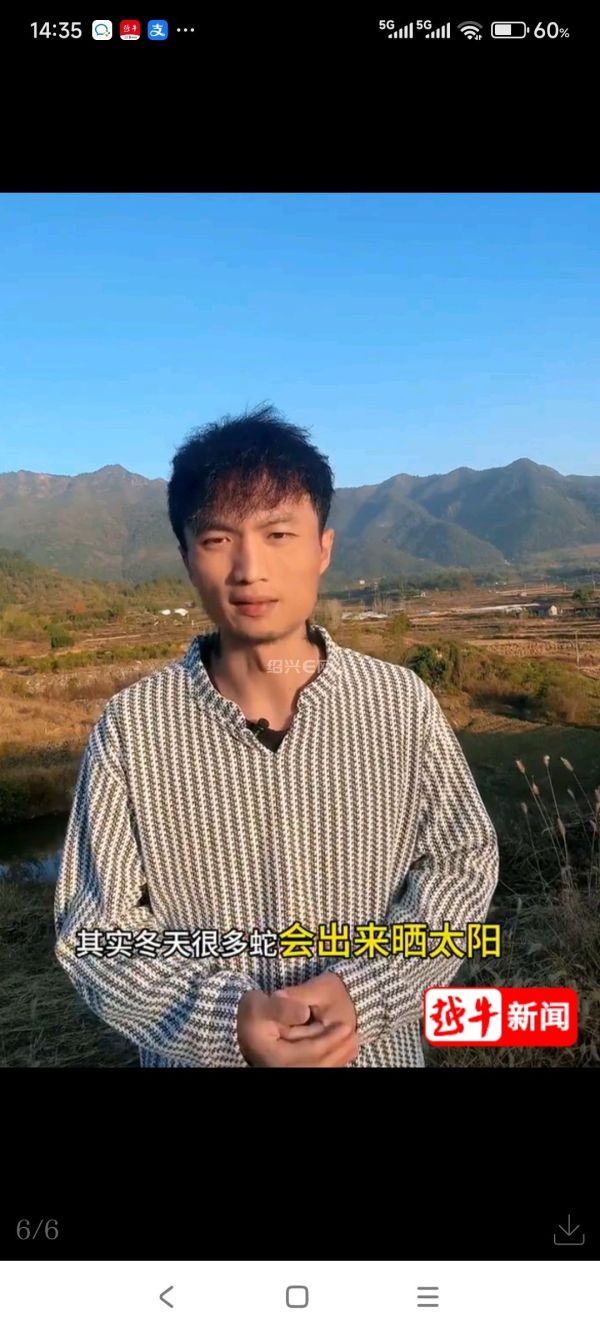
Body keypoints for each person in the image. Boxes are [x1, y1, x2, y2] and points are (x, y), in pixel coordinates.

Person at [54, 402, 500, 1067]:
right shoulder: (132, 729)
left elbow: (461, 860)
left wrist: (368, 989)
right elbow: (95, 932)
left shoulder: (398, 704)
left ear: (323, 548)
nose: (249, 568)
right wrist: (226, 1019)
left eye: (279, 533)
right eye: (217, 539)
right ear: (186, 557)